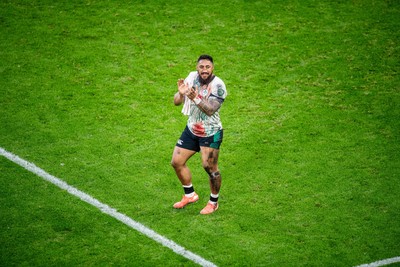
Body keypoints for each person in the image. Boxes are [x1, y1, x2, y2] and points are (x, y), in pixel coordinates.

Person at [171, 54, 227, 215]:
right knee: (176, 161)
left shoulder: (218, 86)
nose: (204, 70)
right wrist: (181, 94)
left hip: (210, 132)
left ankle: (213, 202)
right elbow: (176, 102)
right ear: (197, 67)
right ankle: (190, 195)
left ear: (212, 68)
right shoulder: (191, 77)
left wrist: (194, 97)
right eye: (201, 67)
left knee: (209, 167)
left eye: (207, 67)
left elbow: (210, 110)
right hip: (192, 129)